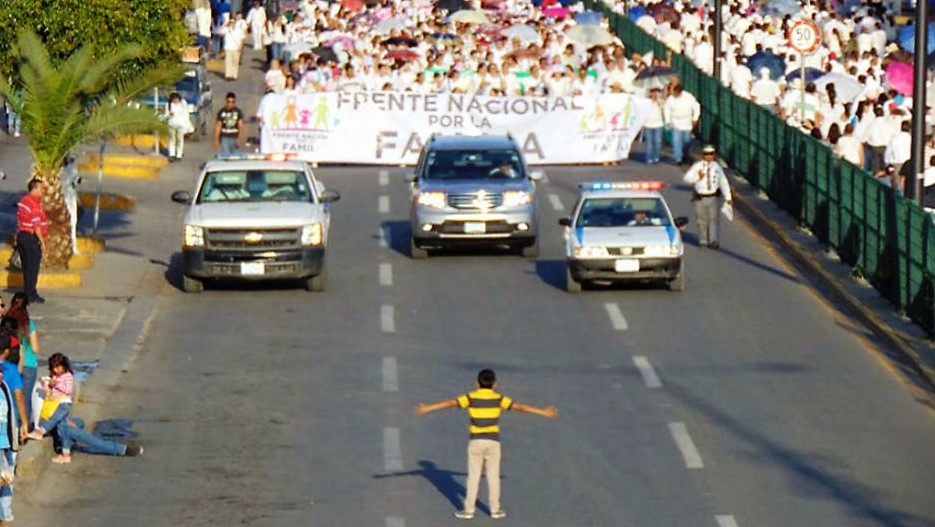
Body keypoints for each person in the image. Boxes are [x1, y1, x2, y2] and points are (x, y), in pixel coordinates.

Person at [416, 368, 558, 520]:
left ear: (477, 383)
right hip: (493, 442)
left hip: (476, 442)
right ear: (494, 384)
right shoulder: (499, 399)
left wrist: (427, 408)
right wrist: (543, 412)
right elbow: (519, 407)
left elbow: (451, 403)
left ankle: (468, 510)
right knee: (493, 476)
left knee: (473, 477)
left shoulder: (470, 397)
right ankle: (495, 510)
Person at [26, 353, 74, 464]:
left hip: (63, 403)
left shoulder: (68, 376)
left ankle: (41, 431)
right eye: (54, 368)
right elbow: (50, 393)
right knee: (62, 429)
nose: (56, 370)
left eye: (58, 367)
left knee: (52, 420)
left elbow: (67, 390)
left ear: (64, 366)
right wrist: (46, 385)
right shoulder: (55, 377)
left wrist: (55, 384)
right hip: (55, 404)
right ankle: (65, 453)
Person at [683, 145, 733, 250]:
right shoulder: (698, 166)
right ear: (703, 155)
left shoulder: (717, 167)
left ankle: (713, 240)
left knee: (713, 219)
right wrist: (697, 177)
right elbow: (687, 178)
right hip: (700, 197)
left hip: (713, 196)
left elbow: (723, 182)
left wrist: (728, 197)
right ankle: (703, 240)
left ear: (714, 155)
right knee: (701, 220)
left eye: (711, 154)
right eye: (706, 154)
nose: (709, 156)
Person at [4, 294, 38, 428]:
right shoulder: (30, 324)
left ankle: (13, 427)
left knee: (12, 398)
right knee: (26, 398)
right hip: (29, 364)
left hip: (11, 363)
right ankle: (24, 428)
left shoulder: (7, 323)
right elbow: (35, 348)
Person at [15, 178, 47, 304]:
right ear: (34, 188)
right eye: (41, 188)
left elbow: (19, 220)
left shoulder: (23, 201)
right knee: (32, 268)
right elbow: (36, 226)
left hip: (22, 235)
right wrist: (42, 243)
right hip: (30, 238)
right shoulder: (33, 204)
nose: (43, 191)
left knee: (26, 267)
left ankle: (27, 291)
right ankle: (31, 294)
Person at [56, 416, 143, 459]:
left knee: (79, 424)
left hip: (60, 422)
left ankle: (122, 449)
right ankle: (122, 449)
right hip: (59, 425)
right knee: (90, 439)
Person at [0, 365, 21, 526]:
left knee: (6, 480)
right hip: (4, 444)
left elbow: (11, 416)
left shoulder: (4, 388)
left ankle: (5, 515)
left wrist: (14, 443)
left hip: (5, 443)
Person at [663, 84, 701, 166]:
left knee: (686, 142)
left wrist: (695, 118)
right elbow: (666, 109)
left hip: (687, 123)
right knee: (676, 141)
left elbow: (696, 107)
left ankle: (685, 155)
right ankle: (678, 158)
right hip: (675, 123)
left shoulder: (689, 97)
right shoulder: (670, 99)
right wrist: (668, 121)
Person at [165, 92, 193, 162]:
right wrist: (169, 115)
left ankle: (179, 154)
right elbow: (166, 115)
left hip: (181, 125)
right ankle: (172, 154)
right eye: (173, 99)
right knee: (172, 139)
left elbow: (186, 114)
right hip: (172, 124)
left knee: (180, 139)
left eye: (176, 99)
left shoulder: (183, 103)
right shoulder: (168, 105)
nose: (175, 100)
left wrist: (187, 126)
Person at [643, 87, 664, 164]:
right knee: (649, 143)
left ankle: (656, 156)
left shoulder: (660, 101)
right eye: (653, 92)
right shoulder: (646, 102)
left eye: (656, 92)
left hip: (658, 124)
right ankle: (649, 157)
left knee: (657, 142)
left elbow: (663, 108)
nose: (654, 94)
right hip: (648, 124)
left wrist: (658, 101)